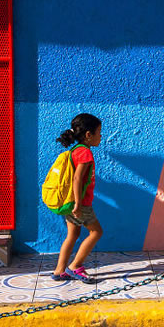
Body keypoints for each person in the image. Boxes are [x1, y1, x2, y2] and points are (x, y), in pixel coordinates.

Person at [51, 113, 103, 284]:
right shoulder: (85, 153)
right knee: (96, 232)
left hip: (73, 203)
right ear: (88, 135)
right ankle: (75, 266)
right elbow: (77, 179)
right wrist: (79, 204)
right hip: (81, 204)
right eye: (99, 132)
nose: (101, 136)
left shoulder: (75, 151)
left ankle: (59, 271)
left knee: (72, 235)